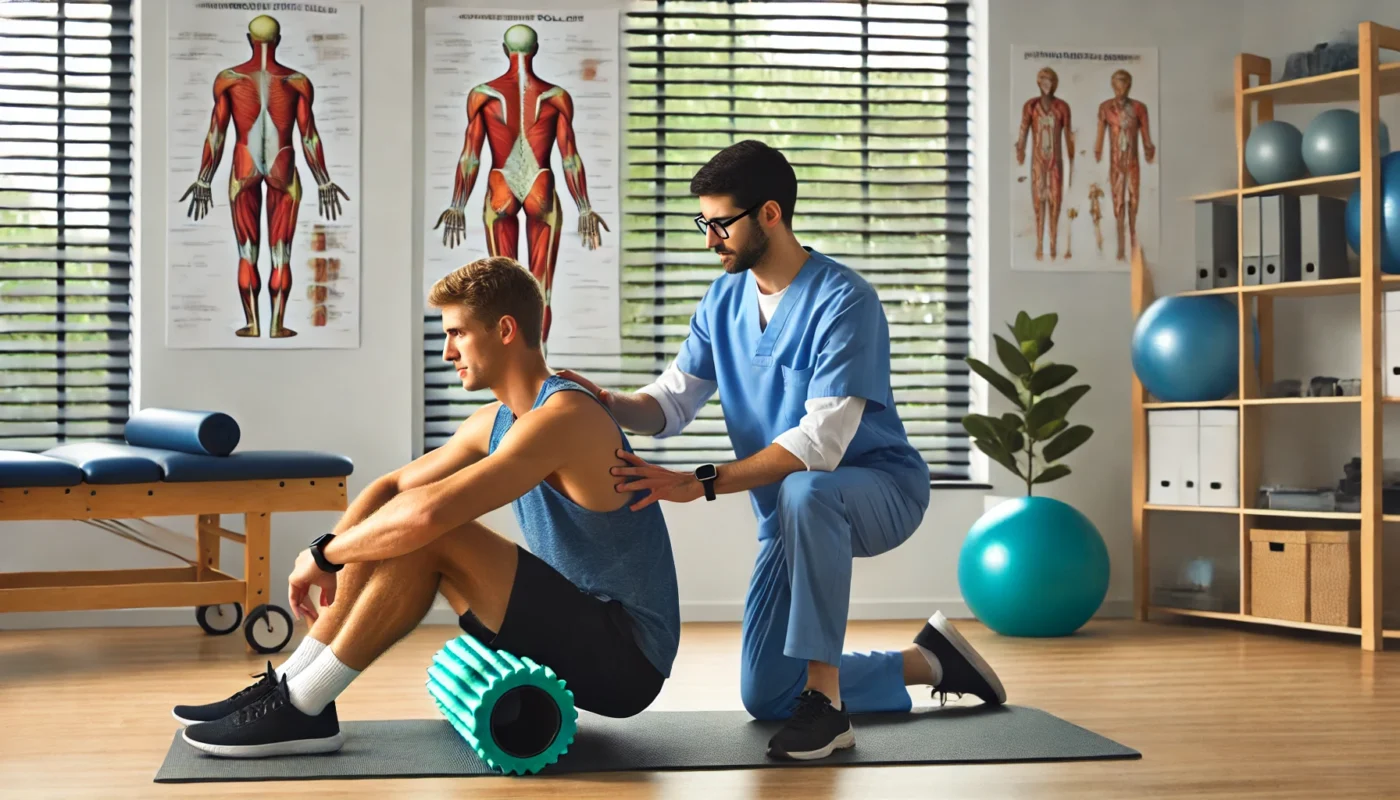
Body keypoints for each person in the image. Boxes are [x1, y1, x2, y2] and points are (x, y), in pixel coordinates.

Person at [559, 141, 1007, 762]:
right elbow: (670, 403)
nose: (709, 238)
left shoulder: (844, 300)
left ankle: (828, 709)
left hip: (878, 490)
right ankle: (930, 660)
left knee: (806, 487)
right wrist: (601, 401)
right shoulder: (723, 301)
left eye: (720, 224)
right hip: (787, 515)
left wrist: (702, 481)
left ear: (770, 213)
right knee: (766, 693)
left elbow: (820, 445)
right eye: (703, 223)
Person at [172, 256, 681, 758]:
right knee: (403, 526)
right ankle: (290, 686)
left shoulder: (567, 417)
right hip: (581, 623)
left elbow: (427, 517)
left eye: (457, 333)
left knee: (434, 531)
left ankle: (303, 705)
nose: (445, 351)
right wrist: (326, 553)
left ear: (505, 329)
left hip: (627, 657)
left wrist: (326, 556)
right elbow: (393, 489)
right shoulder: (496, 421)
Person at [433, 23, 609, 345]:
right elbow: (570, 157)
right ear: (536, 50)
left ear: (504, 50)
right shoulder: (556, 98)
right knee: (541, 291)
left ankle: (513, 372)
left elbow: (470, 155)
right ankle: (539, 365)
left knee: (503, 294)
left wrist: (458, 204)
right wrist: (584, 208)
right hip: (540, 187)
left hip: (501, 187)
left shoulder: (482, 96)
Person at [180, 14, 349, 340]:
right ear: (279, 40)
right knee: (281, 252)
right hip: (283, 168)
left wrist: (204, 178)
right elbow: (308, 136)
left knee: (247, 251)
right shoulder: (297, 81)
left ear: (249, 40)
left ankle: (253, 324)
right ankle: (277, 325)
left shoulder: (229, 79)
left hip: (243, 169)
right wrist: (323, 180)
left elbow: (217, 134)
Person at [1094, 68, 1155, 261]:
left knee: (1134, 200)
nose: (1121, 89)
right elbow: (1100, 136)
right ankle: (1121, 247)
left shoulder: (1139, 108)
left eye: (1124, 85)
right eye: (1118, 85)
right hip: (1116, 162)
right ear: (1113, 86)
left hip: (1132, 161)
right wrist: (1097, 150)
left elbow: (1146, 135)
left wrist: (1148, 148)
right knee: (1118, 202)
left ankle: (1133, 240)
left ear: (1129, 85)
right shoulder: (1105, 108)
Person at [1015, 66, 1073, 261]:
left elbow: (1068, 135)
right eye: (1043, 79)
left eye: (1050, 79)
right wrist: (1021, 149)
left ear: (1055, 83)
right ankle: (1039, 244)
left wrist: (1073, 158)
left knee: (1055, 200)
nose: (1047, 83)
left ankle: (1053, 245)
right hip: (1039, 161)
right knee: (1039, 200)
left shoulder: (1062, 107)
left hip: (1055, 161)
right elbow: (1023, 129)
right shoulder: (1031, 106)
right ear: (1038, 82)